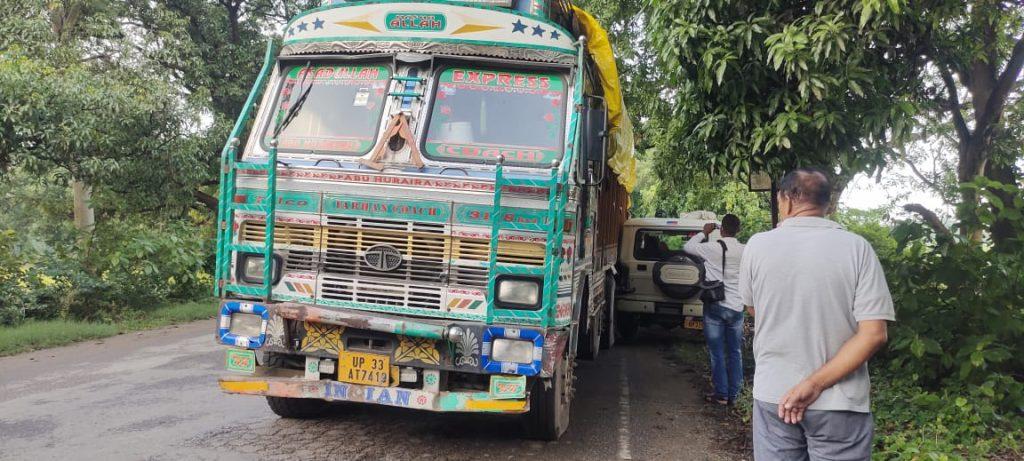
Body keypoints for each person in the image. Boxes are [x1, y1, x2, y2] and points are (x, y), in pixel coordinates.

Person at [739, 168, 895, 460]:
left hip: (775, 394)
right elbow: (874, 334)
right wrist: (814, 385)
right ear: (827, 203)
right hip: (839, 402)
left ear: (785, 200)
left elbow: (753, 309)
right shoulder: (857, 248)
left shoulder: (757, 246)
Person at [684, 213, 745, 405]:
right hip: (737, 307)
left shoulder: (712, 247)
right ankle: (736, 395)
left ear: (722, 229)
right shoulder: (746, 250)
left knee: (717, 351)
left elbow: (688, 247)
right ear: (739, 230)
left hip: (716, 304)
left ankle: (721, 394)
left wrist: (703, 232)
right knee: (735, 351)